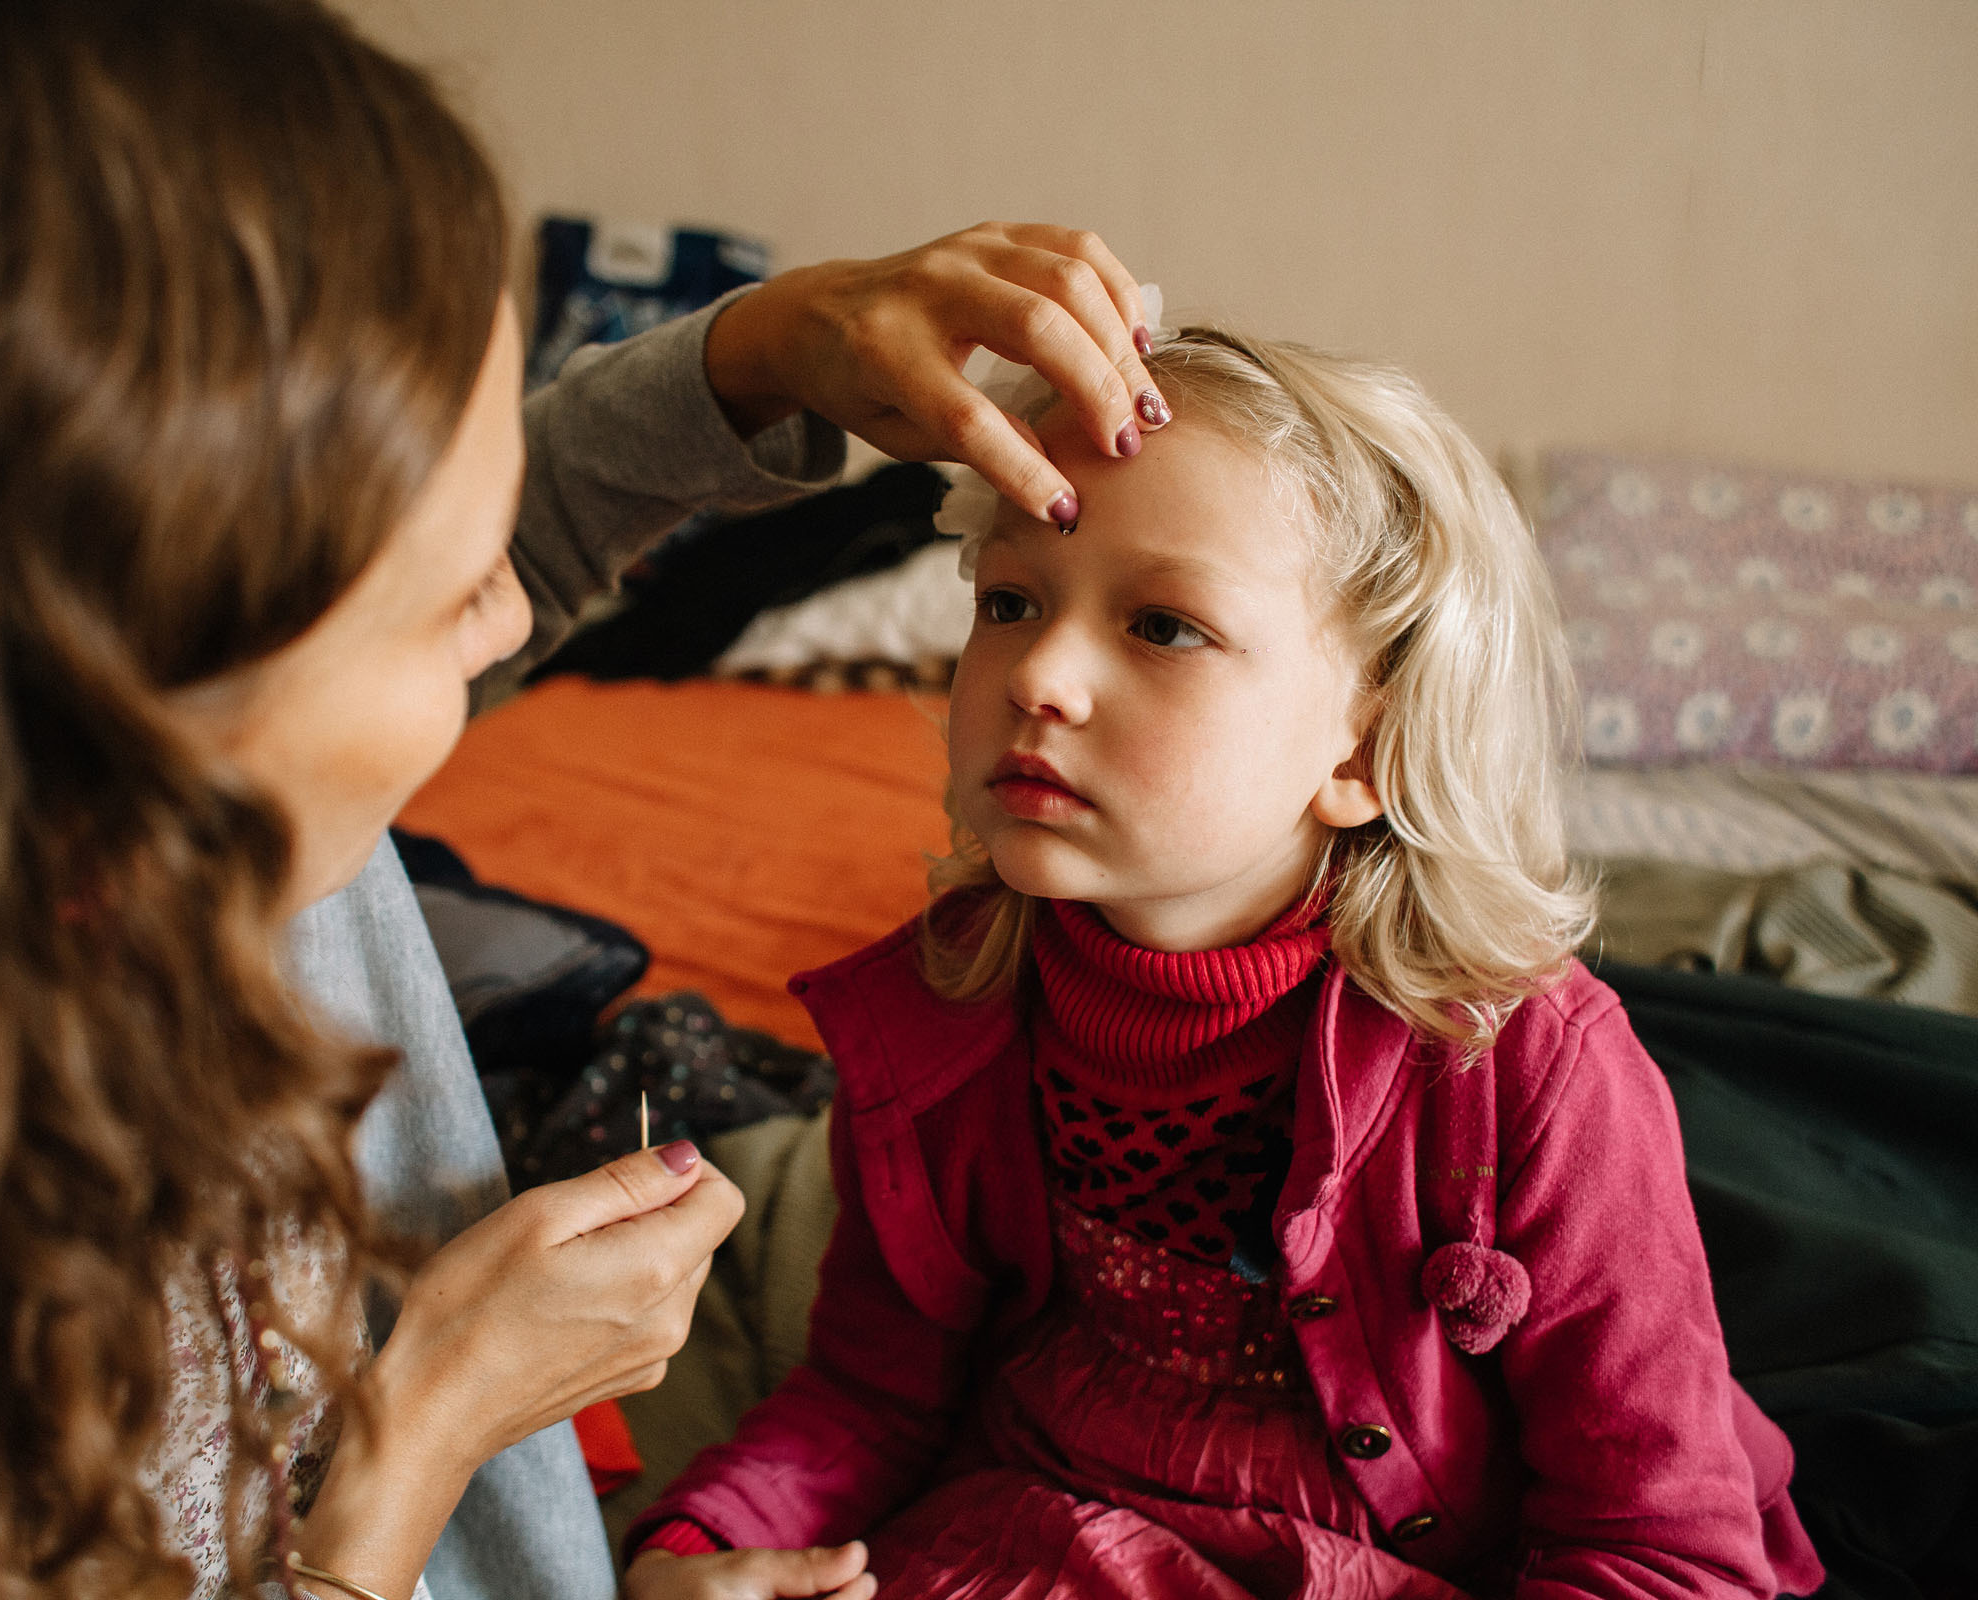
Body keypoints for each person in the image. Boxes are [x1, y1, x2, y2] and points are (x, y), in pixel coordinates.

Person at [0, 2, 1174, 1600]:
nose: (517, 622)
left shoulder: (20, 796)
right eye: (448, 602)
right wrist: (432, 1425)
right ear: (128, 751)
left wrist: (750, 357)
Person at [622, 330, 1833, 1598]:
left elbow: (1657, 1543)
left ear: (1365, 752)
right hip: (1035, 1538)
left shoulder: (1527, 1074)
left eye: (1162, 624)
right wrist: (704, 1543)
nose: (1038, 673)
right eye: (1009, 601)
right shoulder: (943, 1012)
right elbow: (872, 1392)